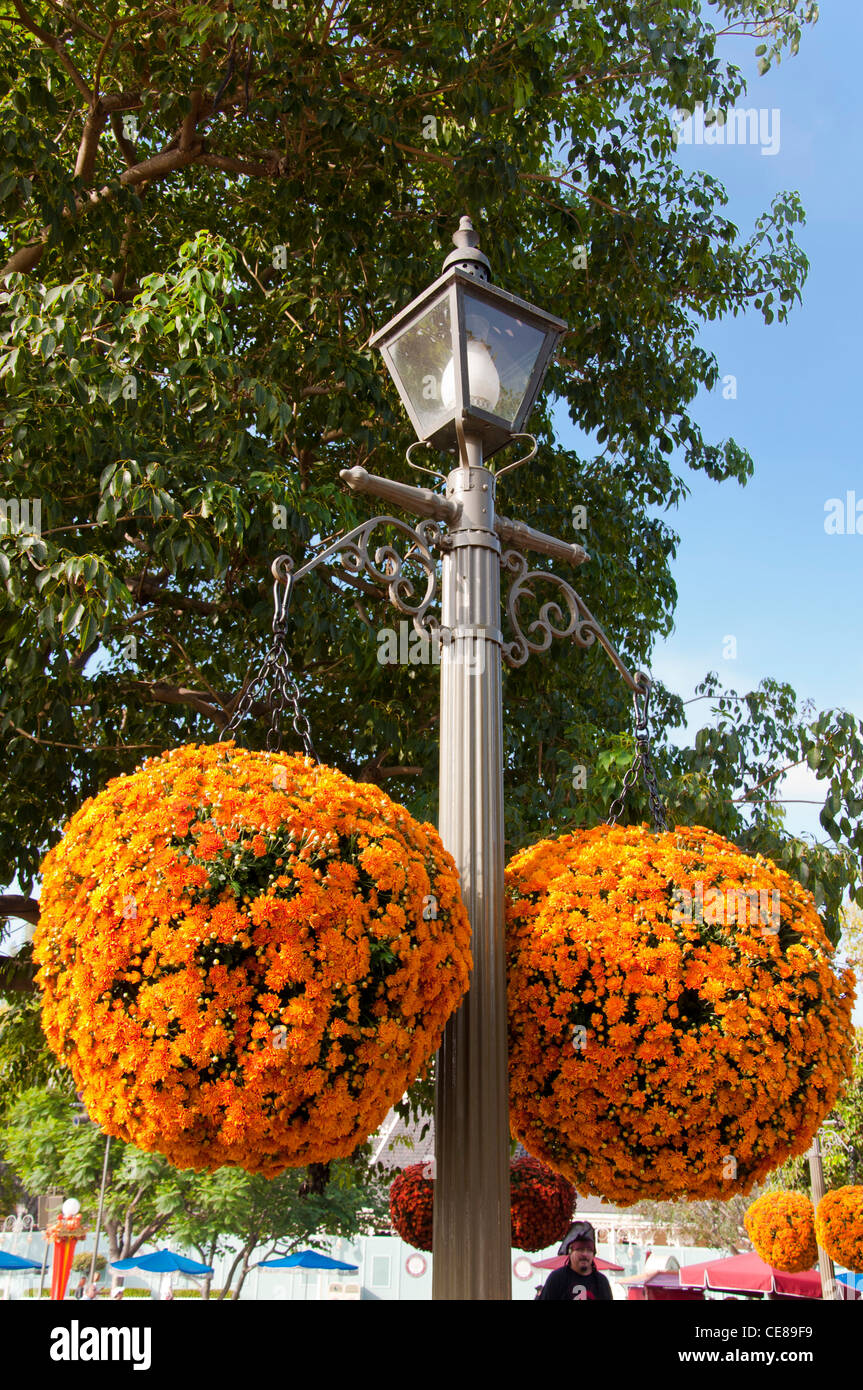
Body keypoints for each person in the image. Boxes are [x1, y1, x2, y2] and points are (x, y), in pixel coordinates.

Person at [537, 1220, 614, 1301]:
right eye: (580, 1250)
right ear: (570, 1252)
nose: (585, 1254)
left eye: (589, 1250)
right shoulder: (557, 1278)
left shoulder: (601, 1281)